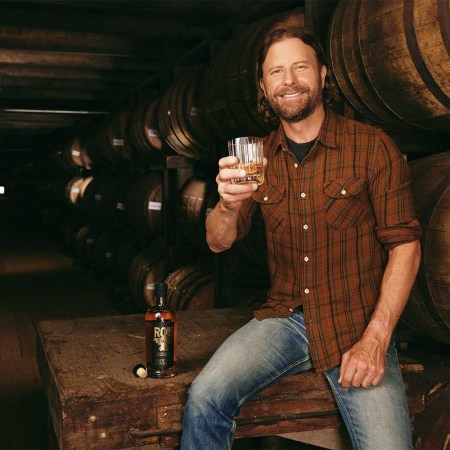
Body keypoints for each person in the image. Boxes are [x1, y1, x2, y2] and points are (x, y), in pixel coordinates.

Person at [180, 24, 422, 450]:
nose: (288, 81)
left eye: (299, 67)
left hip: (357, 323)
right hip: (285, 320)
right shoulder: (257, 156)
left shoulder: (372, 148)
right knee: (205, 397)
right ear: (263, 86)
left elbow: (406, 246)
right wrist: (228, 206)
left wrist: (376, 340)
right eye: (276, 72)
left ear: (323, 75)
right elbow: (218, 241)